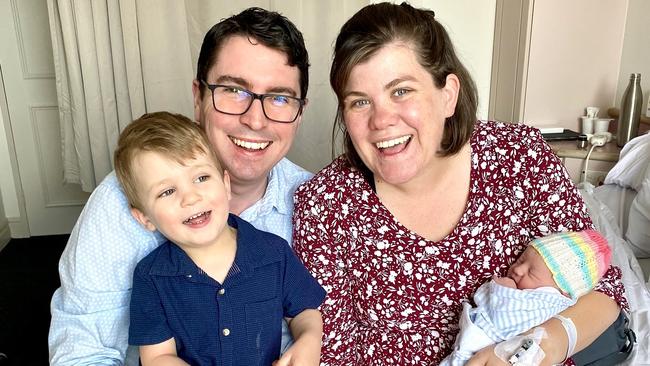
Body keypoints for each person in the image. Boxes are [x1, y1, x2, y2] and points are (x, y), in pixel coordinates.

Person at [292, 2, 628, 365]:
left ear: (447, 94)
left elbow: (605, 288)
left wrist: (546, 343)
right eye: (359, 102)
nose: (381, 120)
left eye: (401, 91)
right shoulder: (326, 204)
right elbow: (334, 355)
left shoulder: (519, 158)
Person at [49, 7, 312, 365]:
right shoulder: (119, 200)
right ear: (198, 96)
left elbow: (322, 321)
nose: (255, 119)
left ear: (300, 111)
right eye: (234, 90)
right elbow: (83, 347)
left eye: (280, 98)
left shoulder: (316, 202)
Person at [113, 112, 325, 365]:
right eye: (167, 191)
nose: (190, 198)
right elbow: (158, 356)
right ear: (144, 217)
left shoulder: (273, 253)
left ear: (225, 184)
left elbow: (304, 311)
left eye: (201, 178)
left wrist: (310, 338)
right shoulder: (151, 277)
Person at [440, 230, 611, 365]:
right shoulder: (540, 290)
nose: (518, 270)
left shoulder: (546, 302)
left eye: (531, 272)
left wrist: (502, 290)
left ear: (559, 292)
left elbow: (504, 318)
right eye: (520, 260)